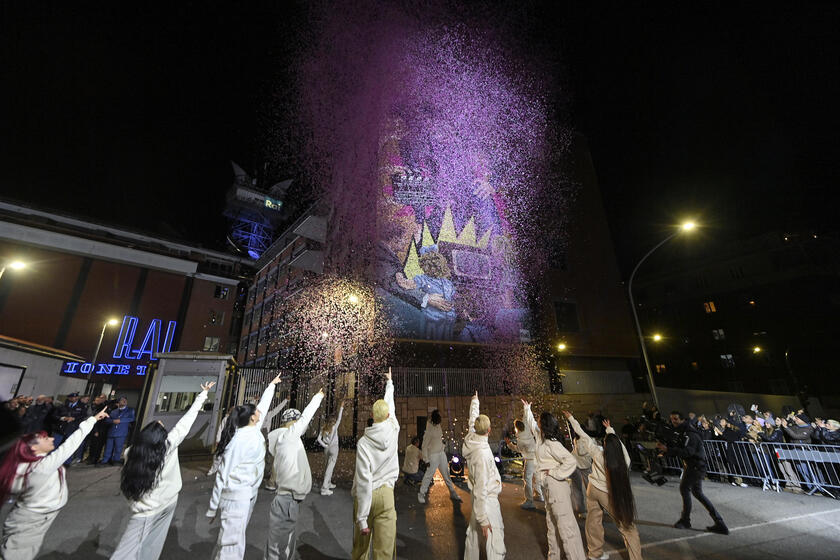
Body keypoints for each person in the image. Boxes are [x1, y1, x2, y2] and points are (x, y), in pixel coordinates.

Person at [111, 382, 215, 560]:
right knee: (142, 549)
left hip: (147, 508)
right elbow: (186, 421)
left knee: (133, 549)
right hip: (164, 504)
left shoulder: (132, 453)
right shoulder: (168, 446)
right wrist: (203, 395)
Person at [0, 406, 109, 559]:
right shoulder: (42, 467)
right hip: (33, 520)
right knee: (17, 554)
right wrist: (93, 419)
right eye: (45, 438)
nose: (51, 439)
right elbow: (71, 444)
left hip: (32, 517)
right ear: (33, 447)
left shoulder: (27, 465)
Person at [207, 375, 282, 560]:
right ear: (251, 417)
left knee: (235, 539)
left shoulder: (252, 430)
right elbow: (222, 475)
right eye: (256, 411)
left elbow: (263, 405)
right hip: (235, 496)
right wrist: (213, 507)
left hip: (248, 493)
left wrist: (271, 386)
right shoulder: (238, 441)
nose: (260, 412)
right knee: (231, 545)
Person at [564, 411, 642, 560]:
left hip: (592, 490)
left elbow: (583, 435)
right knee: (628, 528)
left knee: (593, 522)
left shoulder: (598, 453)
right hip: (608, 493)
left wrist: (571, 419)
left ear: (605, 445)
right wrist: (610, 430)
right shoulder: (625, 460)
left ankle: (595, 554)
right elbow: (617, 444)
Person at [264, 388, 324, 560]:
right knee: (281, 544)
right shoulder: (289, 437)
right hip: (288, 499)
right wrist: (318, 396)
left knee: (278, 540)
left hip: (285, 498)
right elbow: (306, 417)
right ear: (293, 423)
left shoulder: (282, 440)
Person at [522, 399, 586, 560]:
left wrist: (554, 473)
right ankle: (553, 557)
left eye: (539, 421)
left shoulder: (552, 443)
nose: (537, 423)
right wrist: (527, 409)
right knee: (552, 527)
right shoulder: (541, 438)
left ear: (544, 425)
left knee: (566, 528)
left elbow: (571, 461)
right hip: (548, 488)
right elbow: (531, 425)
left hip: (557, 488)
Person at [351, 368, 399, 560]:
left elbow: (363, 479)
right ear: (388, 416)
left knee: (360, 550)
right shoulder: (393, 428)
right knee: (384, 552)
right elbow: (390, 405)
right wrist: (390, 384)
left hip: (366, 496)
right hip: (386, 495)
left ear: (372, 415)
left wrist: (362, 518)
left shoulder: (363, 443)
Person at [658, 410, 728, 535]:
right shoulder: (683, 432)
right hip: (693, 466)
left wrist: (668, 449)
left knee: (686, 489)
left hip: (696, 466)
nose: (673, 421)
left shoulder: (690, 433)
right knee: (697, 493)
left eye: (675, 419)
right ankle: (719, 523)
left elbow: (688, 451)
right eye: (671, 419)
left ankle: (686, 520)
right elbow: (680, 448)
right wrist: (666, 451)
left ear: (682, 420)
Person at [463, 391, 505, 560]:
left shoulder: (473, 436)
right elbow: (481, 489)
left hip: (478, 497)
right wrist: (484, 519)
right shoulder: (481, 455)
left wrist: (475, 401)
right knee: (495, 539)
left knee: (472, 534)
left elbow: (473, 419)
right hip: (486, 500)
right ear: (489, 430)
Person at [417, 408, 461, 504]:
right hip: (433, 455)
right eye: (440, 416)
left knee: (446, 474)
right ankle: (421, 493)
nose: (442, 417)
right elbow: (424, 445)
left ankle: (452, 492)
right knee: (429, 475)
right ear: (436, 417)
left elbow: (438, 439)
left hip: (441, 453)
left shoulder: (438, 425)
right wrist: (426, 459)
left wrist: (443, 444)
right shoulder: (429, 430)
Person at [504, 418, 544, 510]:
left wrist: (509, 444)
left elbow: (518, 449)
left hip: (530, 460)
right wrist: (526, 409)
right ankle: (539, 495)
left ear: (516, 428)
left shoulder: (521, 439)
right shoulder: (528, 431)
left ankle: (529, 501)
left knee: (527, 479)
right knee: (536, 477)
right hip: (536, 458)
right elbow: (526, 418)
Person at [315, 401, 345, 495]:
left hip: (326, 449)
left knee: (326, 466)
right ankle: (324, 488)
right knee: (330, 468)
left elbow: (319, 439)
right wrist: (341, 407)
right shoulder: (334, 427)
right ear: (334, 422)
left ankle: (328, 483)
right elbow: (340, 418)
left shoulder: (324, 427)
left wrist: (325, 445)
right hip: (334, 448)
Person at [51, 392, 89, 465]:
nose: (75, 398)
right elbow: (54, 416)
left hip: (72, 428)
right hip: (61, 428)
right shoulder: (62, 406)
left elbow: (83, 416)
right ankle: (51, 460)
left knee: (68, 445)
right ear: (69, 398)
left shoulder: (82, 407)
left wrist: (74, 418)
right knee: (55, 444)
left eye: (76, 397)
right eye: (72, 397)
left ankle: (66, 462)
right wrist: (62, 418)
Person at [101, 396, 135, 466]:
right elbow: (107, 420)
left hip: (121, 432)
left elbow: (132, 419)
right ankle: (105, 460)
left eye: (125, 400)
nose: (124, 401)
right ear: (118, 402)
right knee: (108, 447)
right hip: (112, 432)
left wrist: (121, 421)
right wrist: (113, 421)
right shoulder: (113, 411)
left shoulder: (130, 410)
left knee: (118, 448)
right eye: (122, 400)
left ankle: (116, 460)